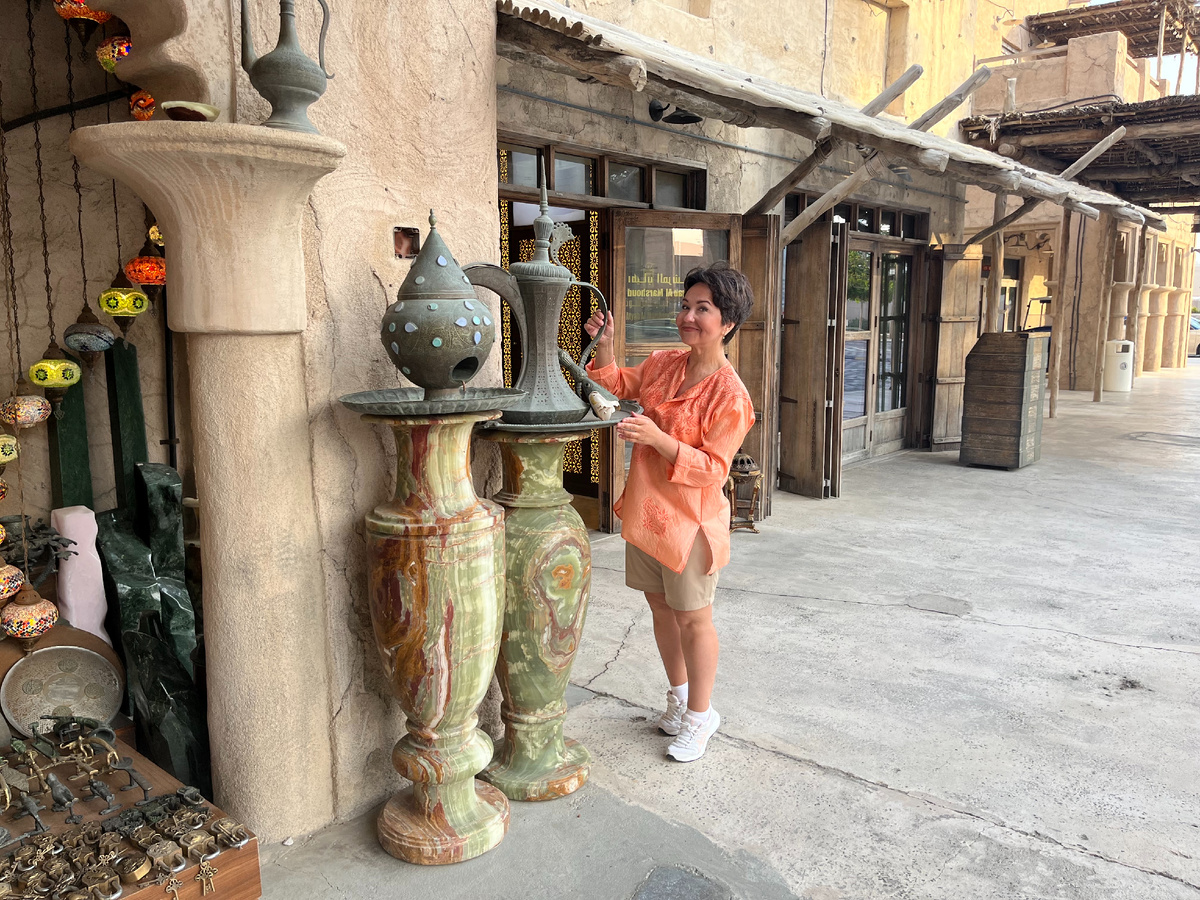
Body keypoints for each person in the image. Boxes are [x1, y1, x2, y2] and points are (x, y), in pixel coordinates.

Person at [584, 261, 755, 762]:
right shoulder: (663, 363)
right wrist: (606, 345)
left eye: (702, 309)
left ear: (727, 322)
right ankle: (681, 699)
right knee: (661, 608)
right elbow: (616, 383)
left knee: (694, 620)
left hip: (692, 524)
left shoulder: (731, 396)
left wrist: (658, 439)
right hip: (649, 512)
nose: (688, 317)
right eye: (685, 306)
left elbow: (713, 470)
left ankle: (702, 717)